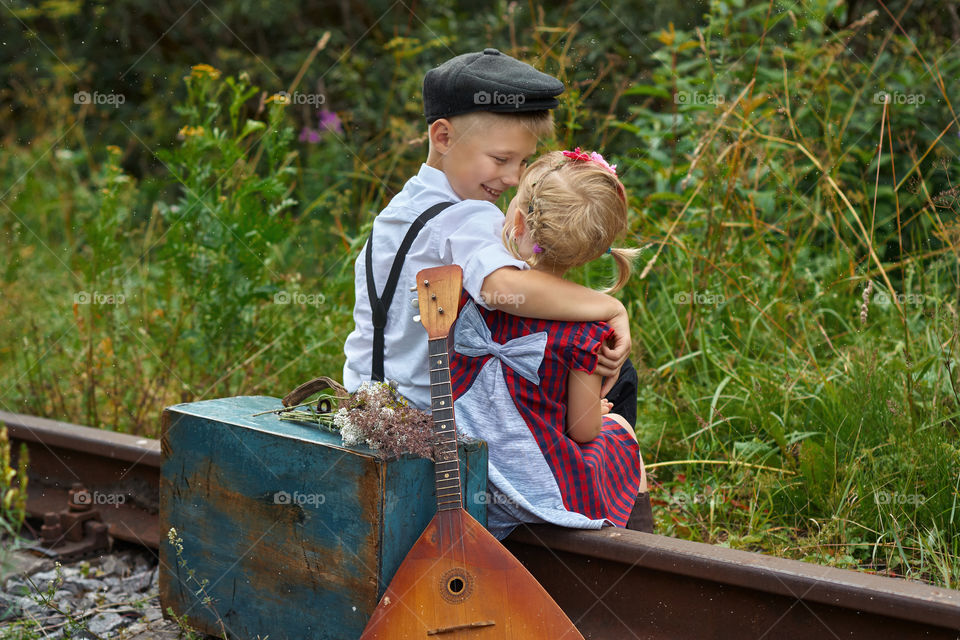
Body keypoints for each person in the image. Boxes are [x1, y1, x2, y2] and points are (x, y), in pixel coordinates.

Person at [342, 49, 636, 415]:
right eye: (500, 159)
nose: (513, 178)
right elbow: (502, 289)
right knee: (617, 375)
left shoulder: (401, 207)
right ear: (444, 137)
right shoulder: (468, 216)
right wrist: (610, 308)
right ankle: (601, 448)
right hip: (429, 414)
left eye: (524, 161)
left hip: (362, 398)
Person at [450, 149, 653, 538]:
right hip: (531, 496)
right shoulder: (586, 331)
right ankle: (637, 547)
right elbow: (583, 430)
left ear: (519, 221)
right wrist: (595, 412)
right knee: (621, 432)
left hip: (461, 477)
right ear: (594, 251)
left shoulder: (473, 289)